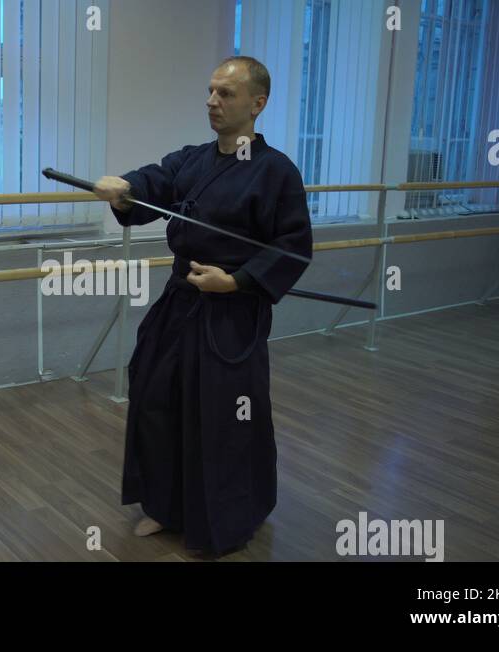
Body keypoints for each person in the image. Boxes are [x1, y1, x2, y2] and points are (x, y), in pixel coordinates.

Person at [93, 56, 313, 555]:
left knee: (223, 415)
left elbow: (293, 246)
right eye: (211, 91)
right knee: (154, 396)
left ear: (258, 103)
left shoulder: (276, 172)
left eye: (226, 94)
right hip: (180, 303)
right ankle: (164, 505)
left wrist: (235, 281)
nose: (212, 101)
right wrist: (125, 190)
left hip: (231, 313)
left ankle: (227, 518)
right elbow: (155, 181)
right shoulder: (193, 159)